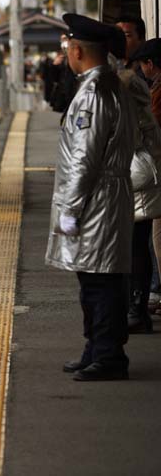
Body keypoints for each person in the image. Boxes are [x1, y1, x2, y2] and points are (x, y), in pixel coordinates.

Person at [47, 14, 136, 381]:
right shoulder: (109, 85)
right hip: (106, 194)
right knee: (98, 278)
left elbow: (83, 157)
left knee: (100, 281)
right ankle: (97, 348)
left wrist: (70, 208)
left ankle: (108, 356)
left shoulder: (93, 94)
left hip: (96, 198)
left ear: (77, 50)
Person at [107, 27, 161, 333]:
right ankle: (136, 308)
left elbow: (130, 133)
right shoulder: (133, 82)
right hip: (141, 173)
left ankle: (136, 310)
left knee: (134, 246)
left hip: (135, 175)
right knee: (137, 245)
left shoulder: (123, 84)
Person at [131, 37, 161, 314]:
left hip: (152, 179)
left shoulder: (156, 93)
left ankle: (153, 293)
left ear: (150, 64)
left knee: (152, 240)